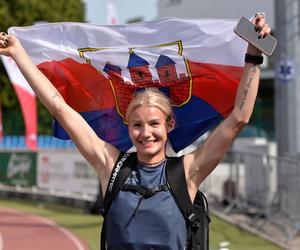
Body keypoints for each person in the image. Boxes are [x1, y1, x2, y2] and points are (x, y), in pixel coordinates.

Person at [0, 13, 271, 249]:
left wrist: (254, 54)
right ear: (128, 127)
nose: (146, 133)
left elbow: (238, 118)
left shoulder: (188, 172)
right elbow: (60, 108)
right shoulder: (111, 166)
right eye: (137, 125)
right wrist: (18, 54)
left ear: (169, 126)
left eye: (154, 124)